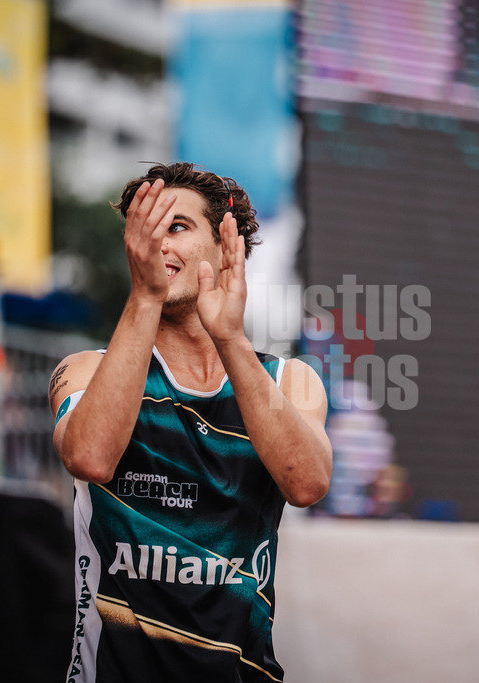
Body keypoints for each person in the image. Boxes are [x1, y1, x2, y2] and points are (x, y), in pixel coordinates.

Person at [48, 162, 332, 682]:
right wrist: (145, 297)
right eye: (146, 230)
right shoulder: (84, 370)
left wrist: (230, 338)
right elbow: (89, 456)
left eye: (177, 227)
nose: (159, 243)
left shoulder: (291, 380)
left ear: (227, 249)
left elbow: (307, 482)